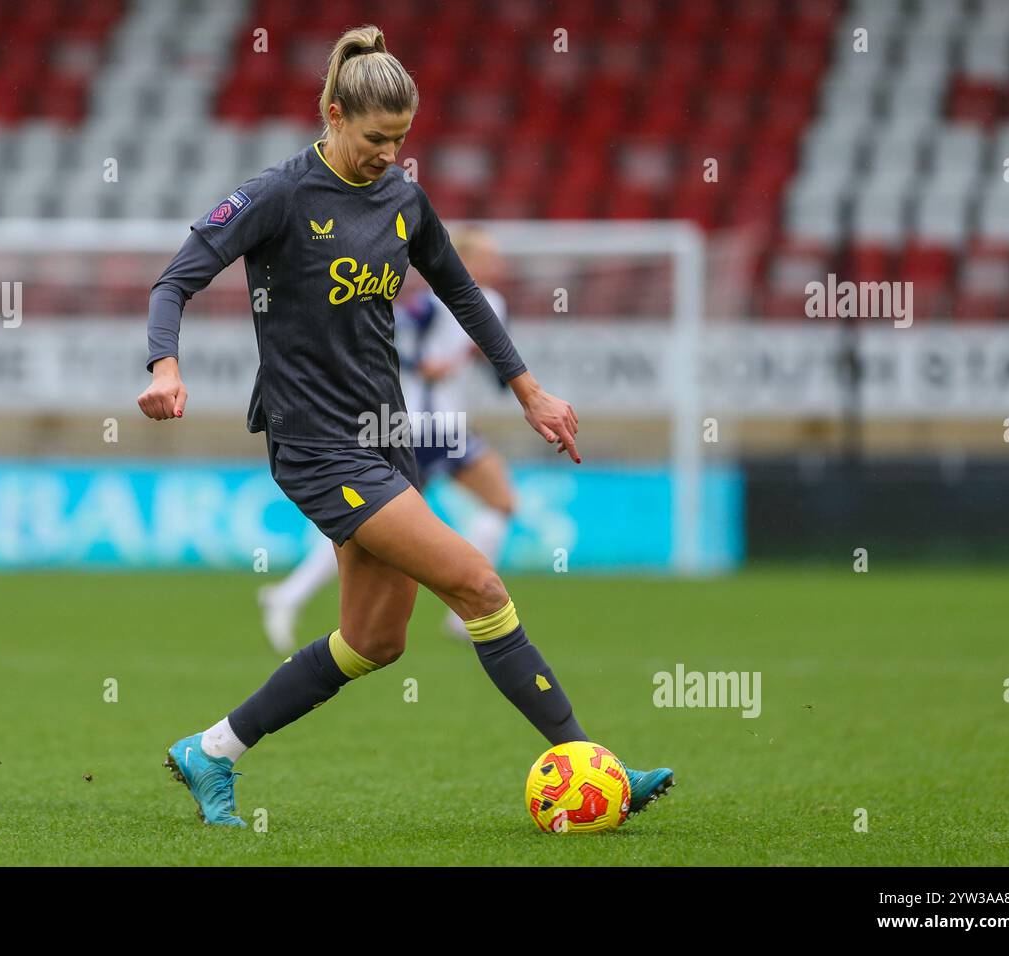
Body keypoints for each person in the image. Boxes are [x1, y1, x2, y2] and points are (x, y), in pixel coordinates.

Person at [138, 24, 673, 827]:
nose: (389, 153)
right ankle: (591, 764)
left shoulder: (401, 199)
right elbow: (175, 280)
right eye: (375, 137)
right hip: (316, 444)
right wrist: (164, 367)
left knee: (374, 641)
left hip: (388, 437)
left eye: (401, 140)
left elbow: (461, 292)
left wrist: (529, 391)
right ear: (333, 113)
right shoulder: (279, 195)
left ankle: (212, 752)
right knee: (479, 584)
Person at [257, 225, 519, 649]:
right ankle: (291, 595)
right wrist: (420, 365)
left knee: (495, 503)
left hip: (446, 426)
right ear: (465, 261)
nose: (496, 263)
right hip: (414, 426)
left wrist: (509, 380)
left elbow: (485, 353)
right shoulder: (431, 306)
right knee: (376, 529)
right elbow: (381, 332)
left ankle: (290, 595)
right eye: (487, 256)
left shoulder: (494, 302)